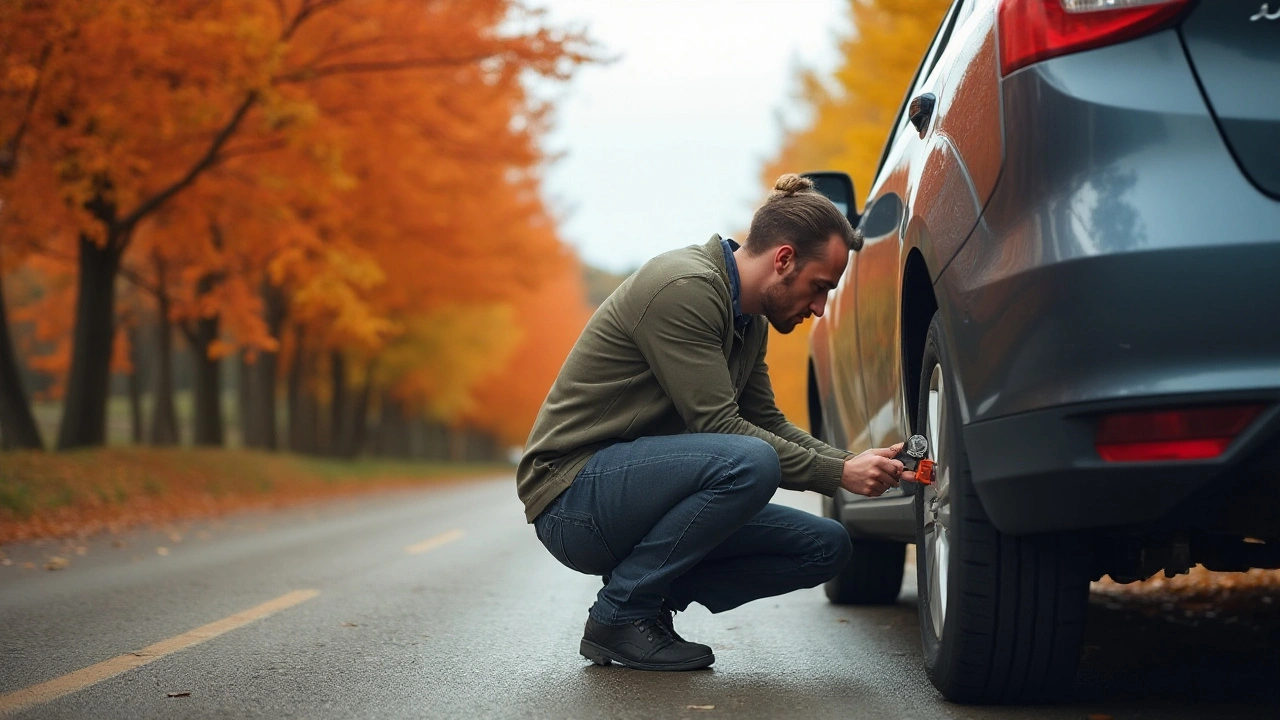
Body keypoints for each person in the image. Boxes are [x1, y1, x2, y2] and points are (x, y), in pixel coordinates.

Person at [517, 173, 917, 671]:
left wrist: (856, 463)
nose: (819, 308)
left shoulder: (747, 321)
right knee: (749, 461)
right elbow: (722, 428)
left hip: (634, 497)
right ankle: (620, 615)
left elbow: (768, 422)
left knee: (826, 546)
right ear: (784, 259)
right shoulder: (684, 288)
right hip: (572, 497)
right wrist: (837, 475)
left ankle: (647, 601)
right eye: (819, 288)